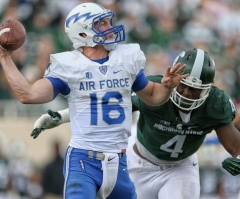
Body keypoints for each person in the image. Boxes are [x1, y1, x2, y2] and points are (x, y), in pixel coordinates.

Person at [0, 2, 188, 199]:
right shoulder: (68, 65)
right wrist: (5, 58)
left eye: (108, 21)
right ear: (82, 33)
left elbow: (152, 97)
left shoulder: (126, 60)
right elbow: (28, 94)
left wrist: (167, 87)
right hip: (83, 161)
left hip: (119, 160)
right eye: (102, 23)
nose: (110, 27)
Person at [32, 48, 240, 199]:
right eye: (183, 85)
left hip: (180, 167)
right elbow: (105, 108)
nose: (186, 93)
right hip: (138, 164)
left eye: (195, 89)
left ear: (208, 89)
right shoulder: (156, 90)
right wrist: (61, 116)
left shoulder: (215, 103)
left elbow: (234, 145)